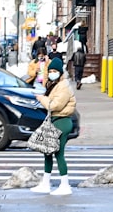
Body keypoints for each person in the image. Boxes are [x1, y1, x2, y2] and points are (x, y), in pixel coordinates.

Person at [29, 57, 78, 196]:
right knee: (48, 152)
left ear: (60, 72)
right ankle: (45, 183)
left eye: (55, 71)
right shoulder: (55, 84)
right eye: (50, 71)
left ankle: (65, 185)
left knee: (58, 153)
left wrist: (41, 98)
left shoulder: (64, 86)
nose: (52, 73)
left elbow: (54, 105)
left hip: (62, 121)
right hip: (55, 120)